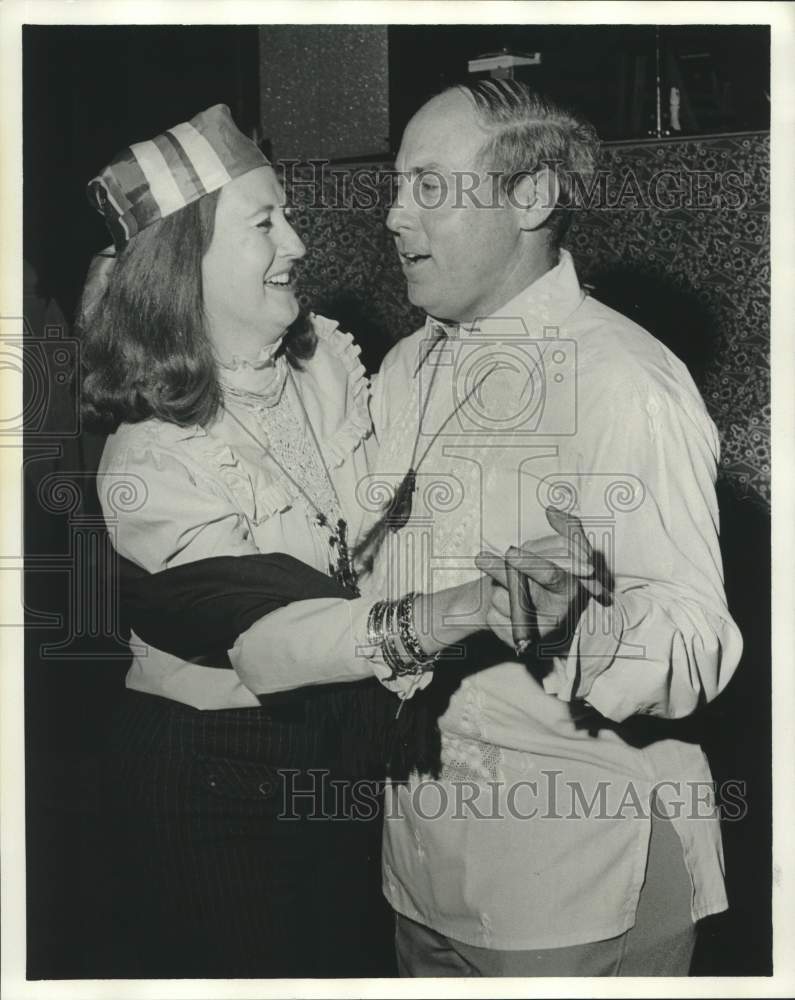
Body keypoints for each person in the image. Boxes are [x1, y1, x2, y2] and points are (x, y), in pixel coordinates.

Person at [80, 102, 559, 978]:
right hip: (212, 780)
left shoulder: (321, 365)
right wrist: (462, 610)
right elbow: (270, 644)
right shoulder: (146, 463)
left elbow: (381, 523)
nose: (298, 243)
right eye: (265, 223)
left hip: (342, 745)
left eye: (288, 214)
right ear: (186, 263)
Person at [359, 79, 743, 977]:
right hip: (416, 866)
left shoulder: (624, 381)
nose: (389, 214)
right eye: (393, 184)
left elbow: (698, 641)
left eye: (426, 185)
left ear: (529, 197)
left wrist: (579, 622)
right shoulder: (405, 365)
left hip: (575, 879)